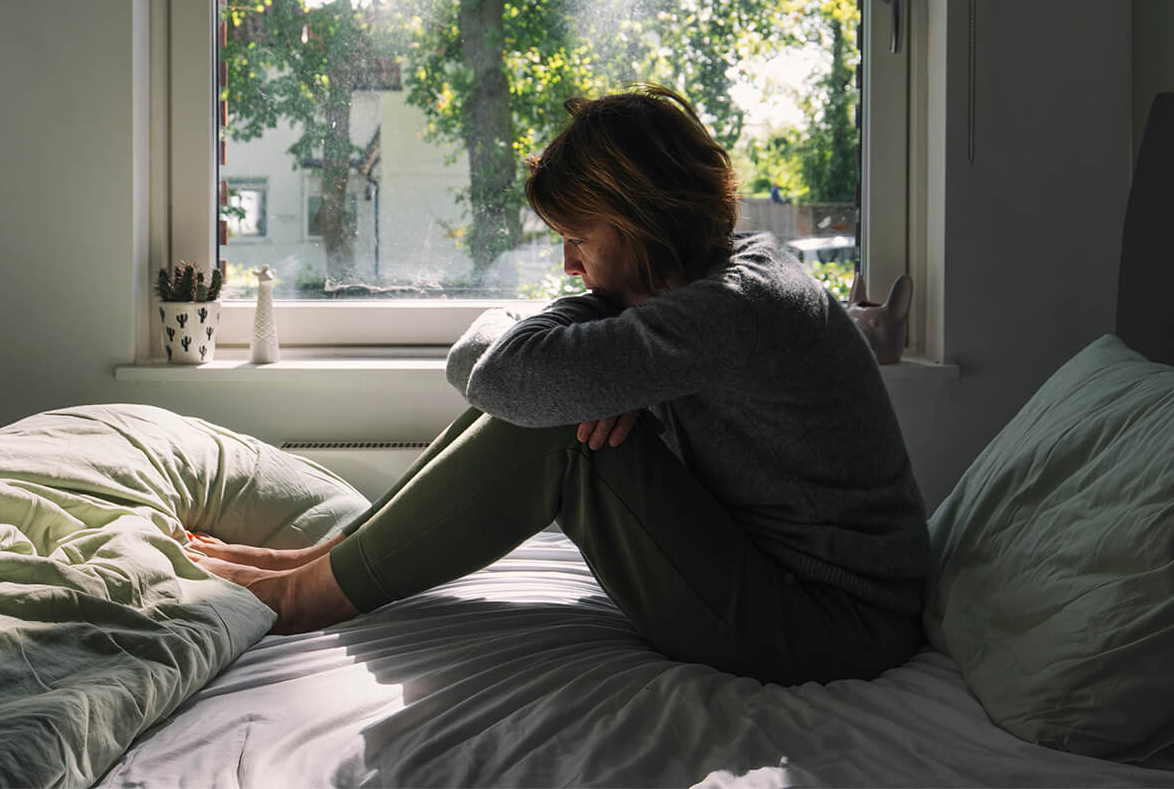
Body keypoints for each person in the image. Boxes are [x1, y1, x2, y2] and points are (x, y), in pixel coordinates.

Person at [190, 85, 931, 686]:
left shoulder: (731, 309)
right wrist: (594, 369)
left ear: (642, 223)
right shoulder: (708, 286)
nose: (571, 265)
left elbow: (495, 375)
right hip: (793, 589)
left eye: (580, 239)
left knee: (561, 430)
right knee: (562, 396)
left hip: (830, 624)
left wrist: (567, 361)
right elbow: (503, 370)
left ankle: (303, 597)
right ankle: (319, 563)